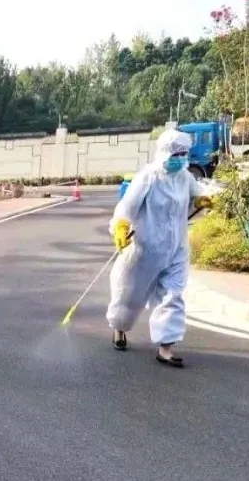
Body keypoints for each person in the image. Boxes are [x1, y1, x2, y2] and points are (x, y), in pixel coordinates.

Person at [106, 129, 213, 368]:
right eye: (177, 154)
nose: (181, 158)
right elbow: (127, 207)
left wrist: (201, 200)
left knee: (173, 294)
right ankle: (119, 328)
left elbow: (197, 195)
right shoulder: (149, 177)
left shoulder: (185, 177)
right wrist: (121, 227)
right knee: (129, 294)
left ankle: (166, 347)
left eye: (184, 153)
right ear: (165, 153)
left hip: (176, 248)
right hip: (146, 248)